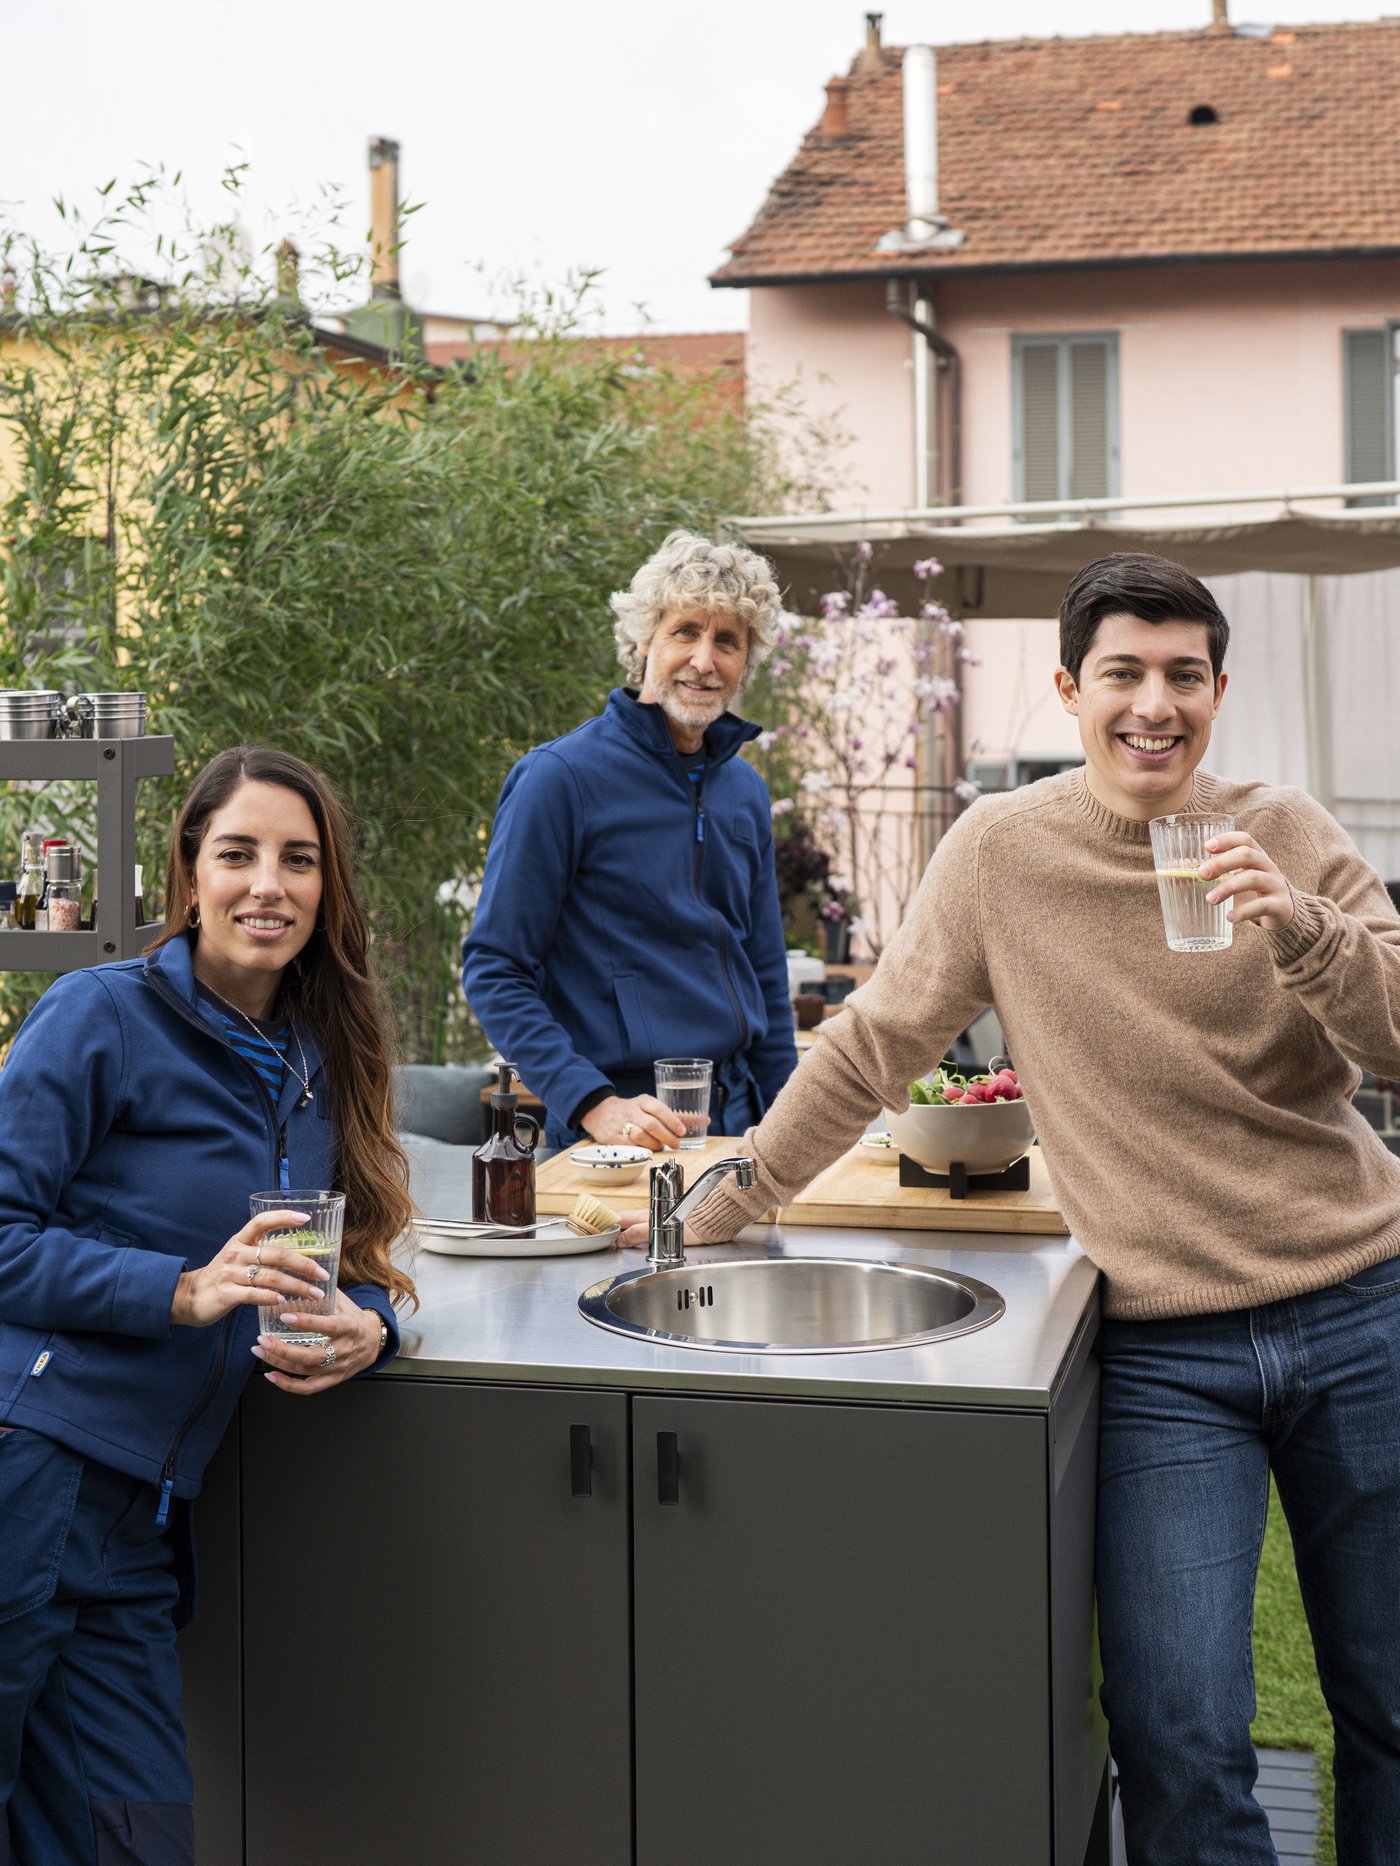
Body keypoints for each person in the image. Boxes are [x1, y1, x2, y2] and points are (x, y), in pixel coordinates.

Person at [668, 552, 1400, 1864]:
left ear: (1219, 691)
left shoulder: (1287, 830)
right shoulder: (1003, 851)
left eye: (1184, 674)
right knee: (1177, 1728)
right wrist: (724, 1205)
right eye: (1123, 672)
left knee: (1392, 1704)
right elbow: (873, 1040)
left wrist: (1302, 928)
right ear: (1071, 689)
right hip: (1172, 1352)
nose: (1153, 703)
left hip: (1365, 1307)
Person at [0, 746, 415, 1865]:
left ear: (328, 888)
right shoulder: (98, 1015)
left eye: (298, 860)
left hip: (140, 1517)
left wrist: (373, 1329)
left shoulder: (323, 1047)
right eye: (236, 855)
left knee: (136, 1837)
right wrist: (177, 1290)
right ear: (188, 872)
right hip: (29, 1470)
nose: (266, 885)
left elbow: (359, 1248)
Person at [463, 528, 799, 1152]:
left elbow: (765, 977)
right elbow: (495, 967)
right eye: (685, 632)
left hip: (741, 1115)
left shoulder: (744, 791)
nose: (704, 659)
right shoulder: (559, 778)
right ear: (643, 640)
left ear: (745, 662)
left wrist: (791, 1128)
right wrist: (591, 1103)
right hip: (620, 1123)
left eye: (727, 640)